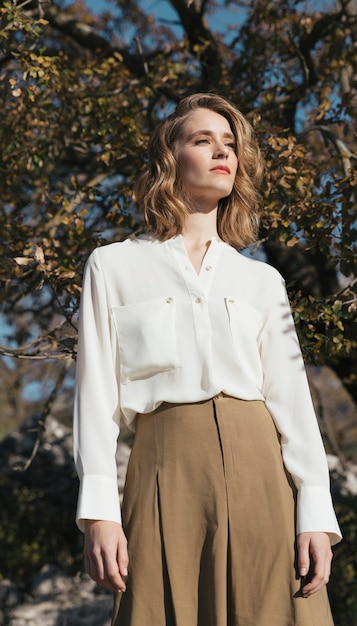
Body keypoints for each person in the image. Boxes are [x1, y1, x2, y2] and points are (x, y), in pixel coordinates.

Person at [73, 92, 342, 626]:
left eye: (230, 144)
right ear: (171, 158)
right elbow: (96, 396)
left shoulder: (262, 280)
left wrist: (314, 510)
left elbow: (292, 403)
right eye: (203, 140)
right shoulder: (114, 266)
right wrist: (99, 513)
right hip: (163, 471)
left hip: (263, 475)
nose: (223, 153)